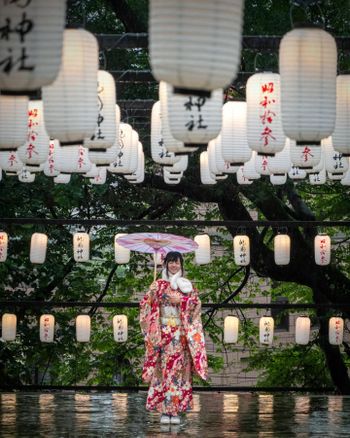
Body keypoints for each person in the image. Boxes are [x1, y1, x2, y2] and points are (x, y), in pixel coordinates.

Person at [139, 251, 208, 425]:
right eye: (170, 262)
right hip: (162, 335)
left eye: (177, 262)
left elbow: (196, 305)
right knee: (163, 372)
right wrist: (152, 295)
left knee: (177, 372)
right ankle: (164, 410)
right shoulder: (158, 284)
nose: (174, 265)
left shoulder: (186, 285)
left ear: (181, 265)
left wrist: (182, 302)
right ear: (165, 264)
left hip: (179, 334)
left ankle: (174, 410)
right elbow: (146, 307)